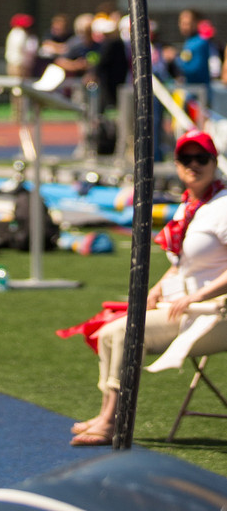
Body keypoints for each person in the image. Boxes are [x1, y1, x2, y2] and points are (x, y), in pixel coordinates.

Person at [68, 129, 227, 446]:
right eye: (185, 158)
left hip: (215, 314)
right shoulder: (190, 205)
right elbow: (183, 263)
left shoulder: (222, 207)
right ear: (177, 164)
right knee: (109, 331)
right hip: (185, 307)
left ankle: (114, 420)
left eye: (201, 158)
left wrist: (199, 295)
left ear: (214, 162)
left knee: (125, 333)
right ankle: (107, 413)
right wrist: (157, 288)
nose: (193, 165)